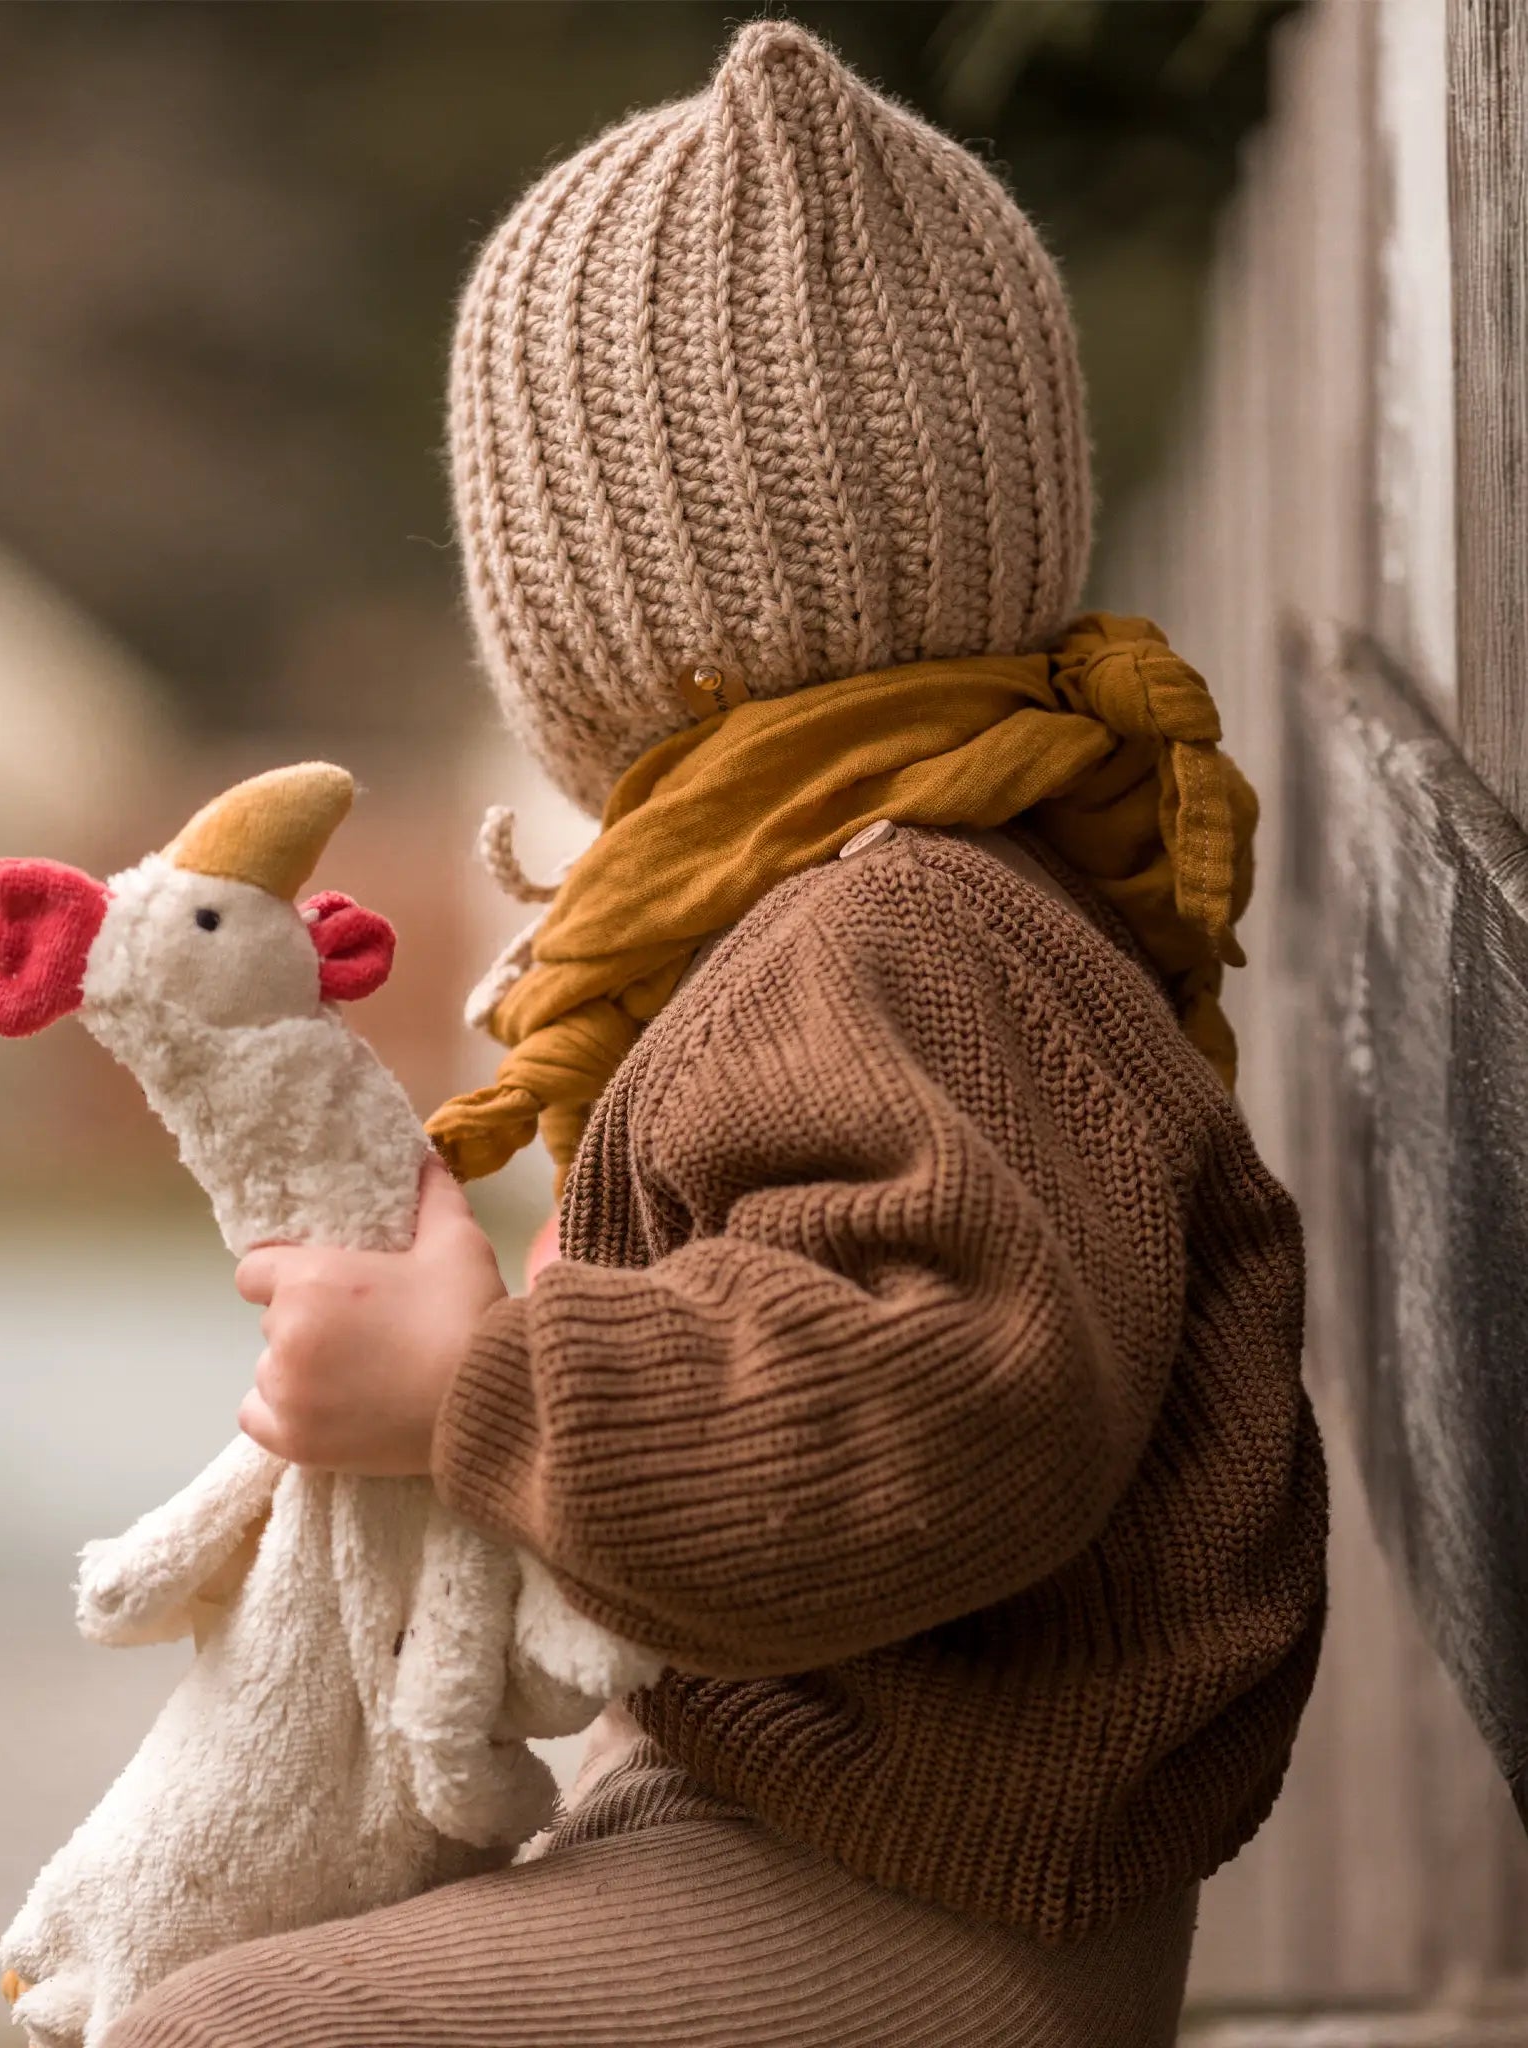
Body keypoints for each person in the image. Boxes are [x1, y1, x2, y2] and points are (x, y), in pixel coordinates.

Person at [105, 20, 1325, 2047]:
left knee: (224, 2033)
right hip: (817, 1839)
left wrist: (482, 1383)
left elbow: (953, 1408)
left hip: (927, 1917)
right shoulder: (875, 896)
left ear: (601, 599)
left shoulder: (895, 929)